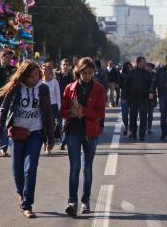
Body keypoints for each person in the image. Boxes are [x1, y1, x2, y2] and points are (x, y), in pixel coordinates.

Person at [0, 60, 54, 218]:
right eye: (32, 75)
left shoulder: (43, 89)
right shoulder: (15, 88)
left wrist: (50, 139)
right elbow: (4, 110)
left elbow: (47, 114)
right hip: (17, 133)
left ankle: (27, 205)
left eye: (37, 74)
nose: (36, 78)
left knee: (30, 169)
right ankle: (21, 193)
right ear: (24, 75)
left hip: (36, 133)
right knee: (16, 170)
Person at [61, 57, 105, 216]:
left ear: (94, 72)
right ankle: (72, 201)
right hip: (73, 131)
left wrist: (84, 112)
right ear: (78, 72)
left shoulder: (99, 89)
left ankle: (85, 201)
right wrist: (72, 113)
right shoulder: (69, 87)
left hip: (90, 132)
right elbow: (62, 111)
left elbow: (100, 113)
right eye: (84, 73)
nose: (87, 75)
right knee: (75, 167)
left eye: (90, 73)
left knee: (87, 168)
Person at [125, 57, 152, 141]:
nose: (145, 63)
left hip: (144, 99)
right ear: (139, 63)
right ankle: (133, 132)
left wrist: (151, 93)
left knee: (143, 117)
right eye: (144, 62)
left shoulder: (148, 74)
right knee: (133, 117)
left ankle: (142, 134)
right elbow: (126, 86)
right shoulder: (131, 73)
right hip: (133, 99)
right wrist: (126, 97)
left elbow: (151, 86)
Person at [41, 62, 61, 150]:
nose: (44, 71)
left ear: (50, 71)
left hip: (52, 106)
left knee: (51, 126)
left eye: (46, 70)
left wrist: (59, 108)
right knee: (43, 125)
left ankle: (50, 143)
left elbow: (58, 96)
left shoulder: (54, 82)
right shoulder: (39, 82)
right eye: (43, 69)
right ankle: (44, 142)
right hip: (42, 107)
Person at [56, 59, 75, 150]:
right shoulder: (56, 76)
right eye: (64, 65)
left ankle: (63, 142)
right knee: (59, 123)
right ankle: (61, 139)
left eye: (67, 65)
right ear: (61, 66)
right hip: (56, 102)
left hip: (66, 104)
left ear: (69, 66)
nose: (65, 66)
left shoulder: (72, 78)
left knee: (64, 123)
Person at [119, 62, 133, 136]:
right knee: (124, 114)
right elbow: (120, 85)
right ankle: (126, 126)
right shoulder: (122, 75)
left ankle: (131, 129)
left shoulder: (134, 75)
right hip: (124, 97)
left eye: (130, 67)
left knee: (132, 114)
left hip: (133, 97)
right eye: (127, 67)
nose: (129, 68)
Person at [145, 63, 156, 134]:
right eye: (148, 67)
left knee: (150, 113)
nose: (149, 68)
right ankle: (144, 126)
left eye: (150, 68)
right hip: (144, 96)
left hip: (152, 96)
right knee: (143, 112)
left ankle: (149, 128)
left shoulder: (155, 75)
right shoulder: (143, 74)